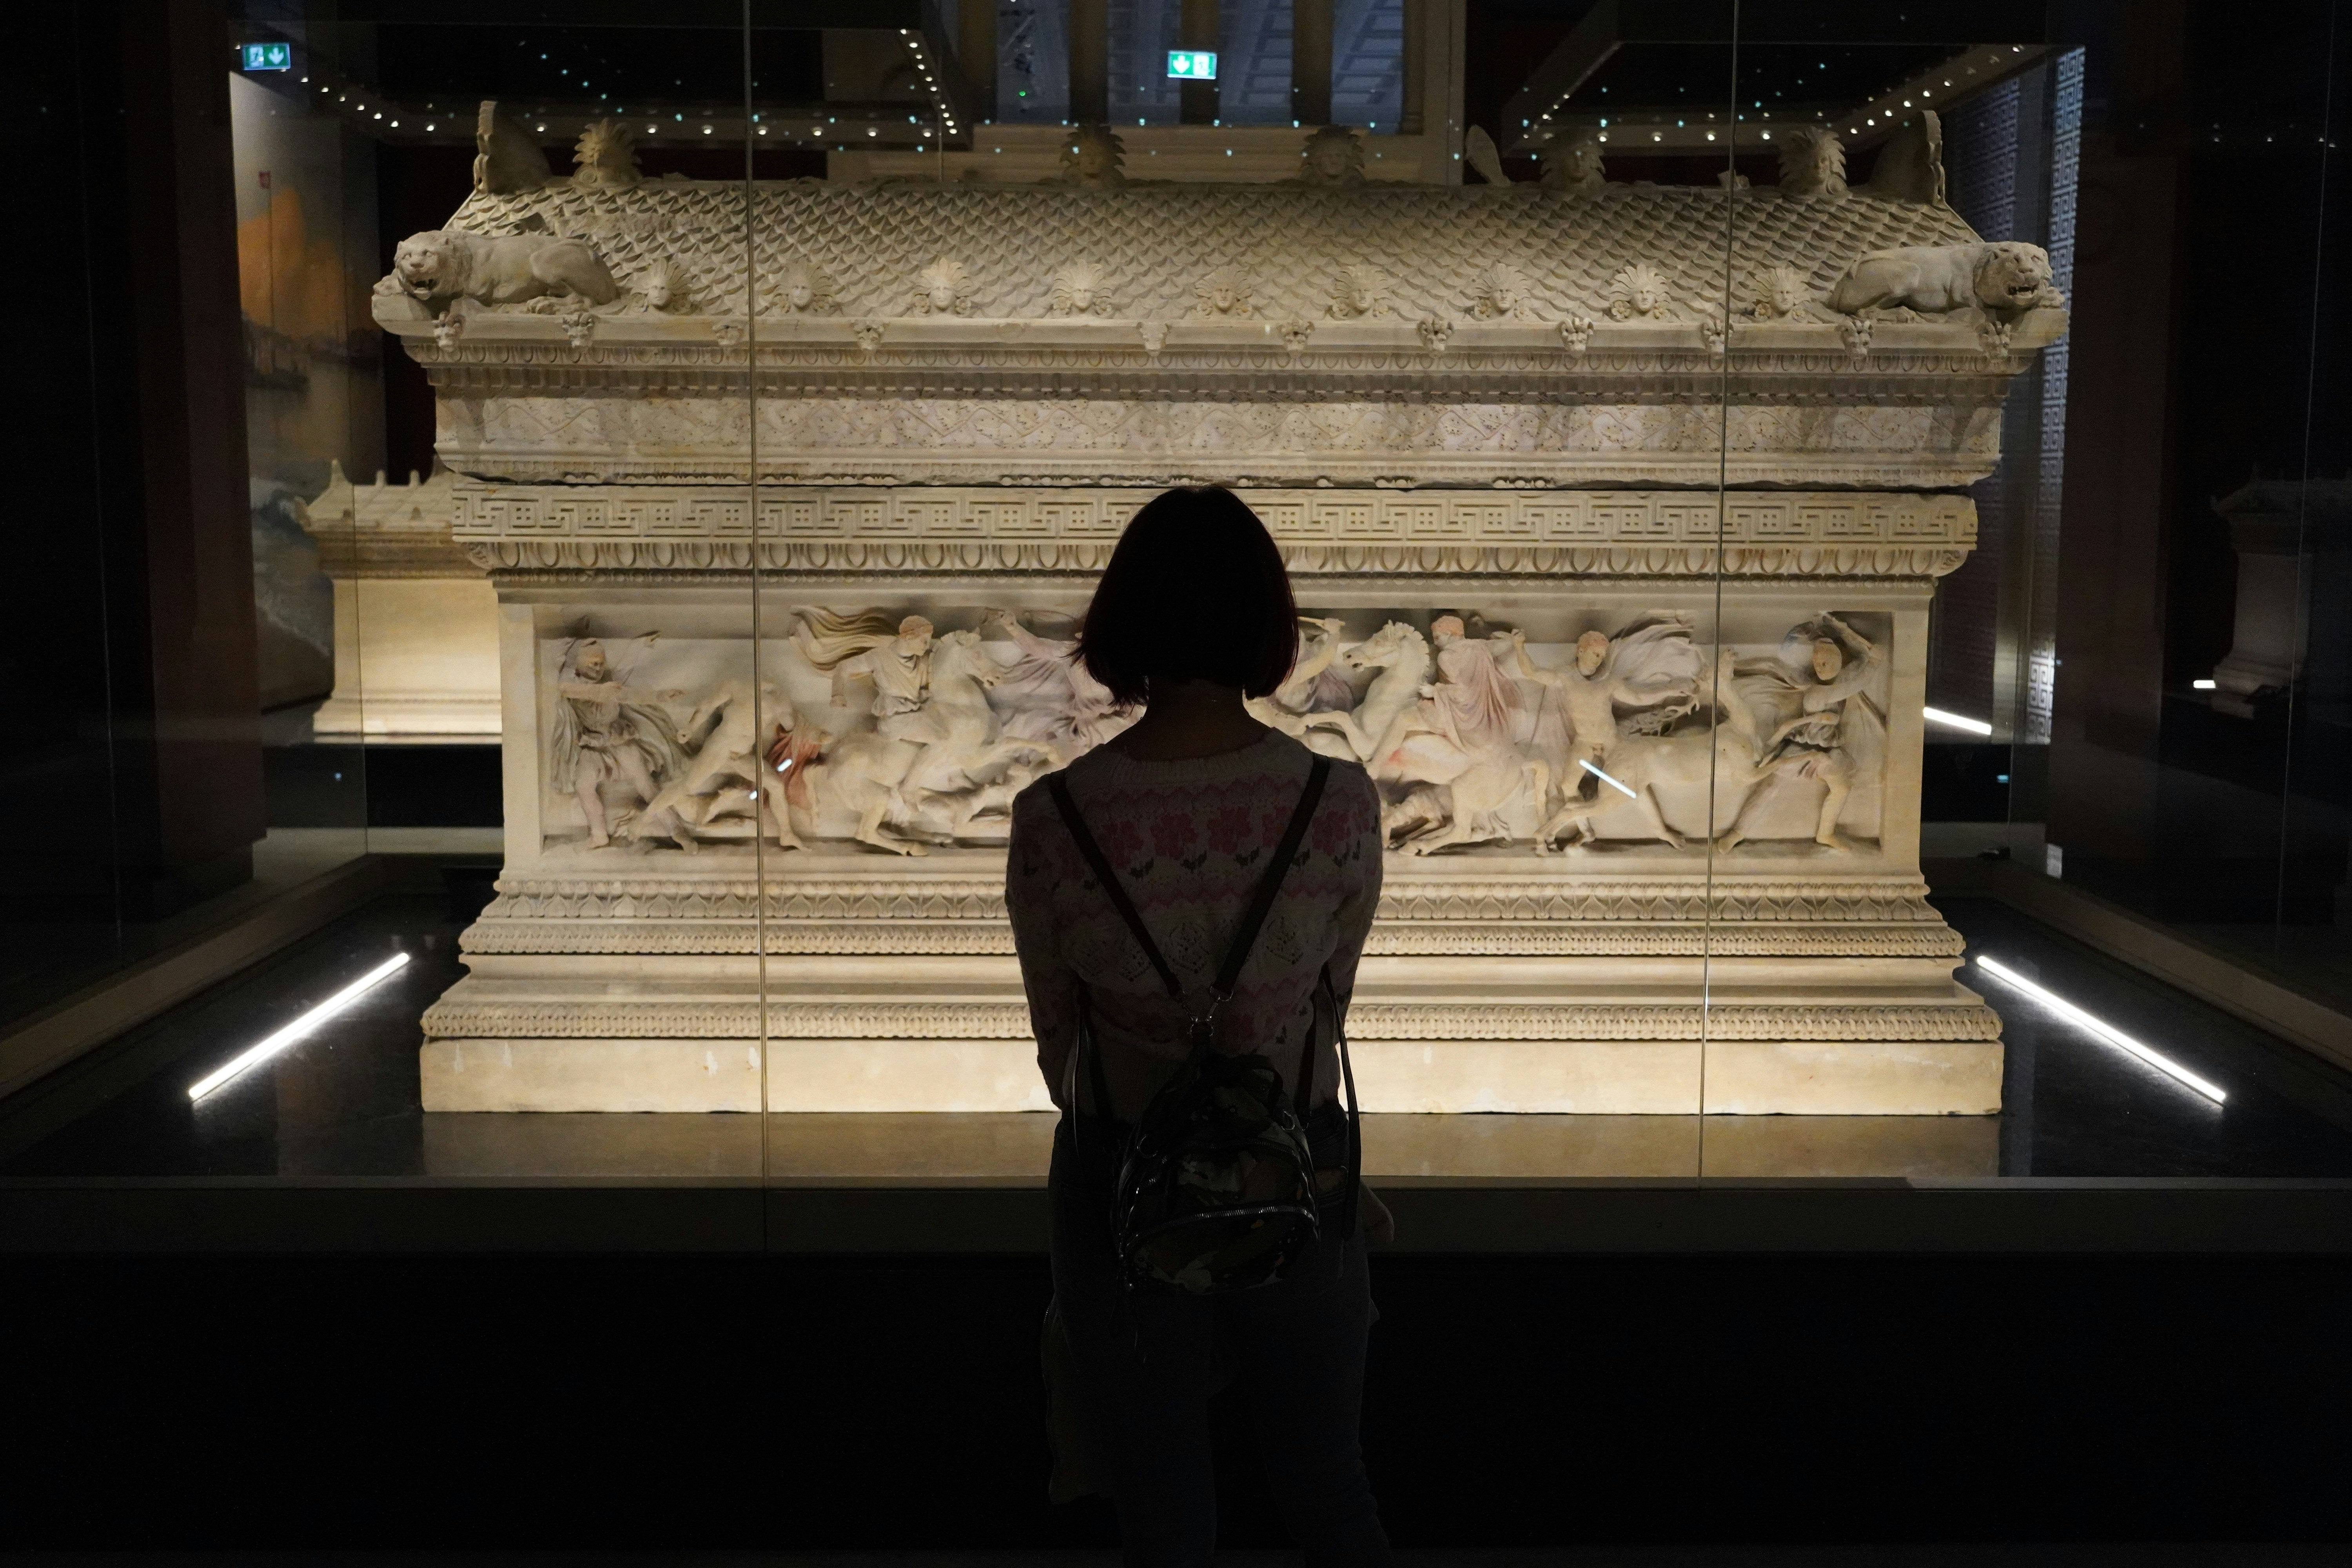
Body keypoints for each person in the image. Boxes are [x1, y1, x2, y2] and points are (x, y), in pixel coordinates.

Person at [1005, 486, 1394, 1568]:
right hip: (1295, 1168)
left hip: (1128, 1180)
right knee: (1330, 1493)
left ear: (1121, 624)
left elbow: (1061, 1052)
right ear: (1265, 625)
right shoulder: (1337, 801)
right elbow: (1328, 1001)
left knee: (1163, 1515)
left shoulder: (1056, 817)